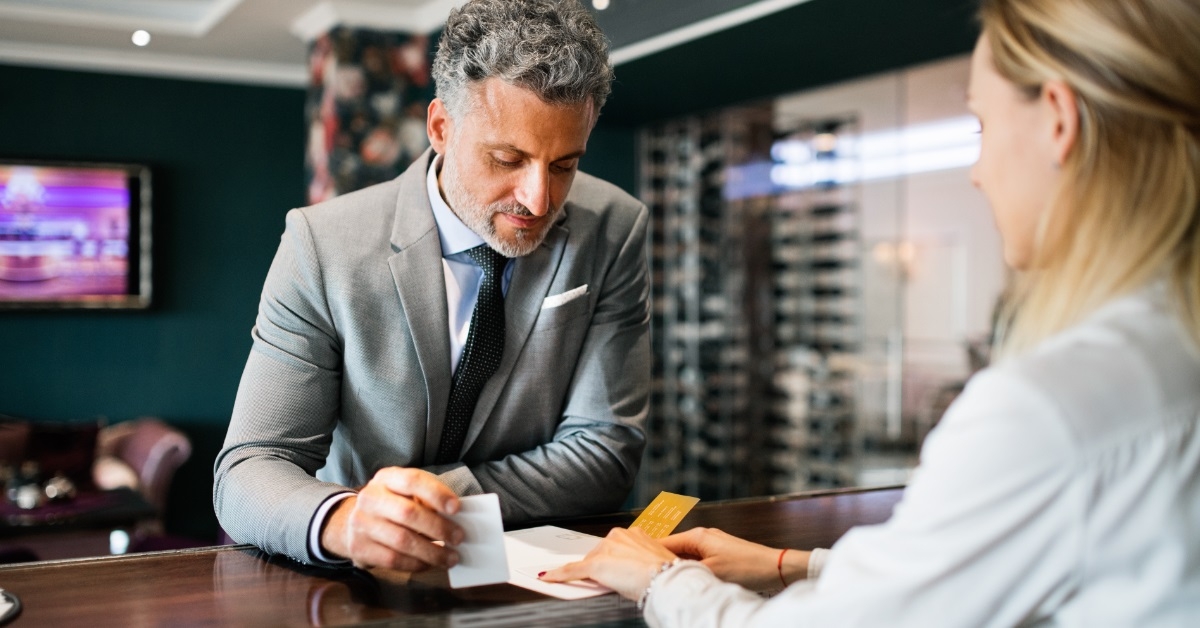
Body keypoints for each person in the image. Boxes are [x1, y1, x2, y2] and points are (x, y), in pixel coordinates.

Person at [542, 0, 1200, 624]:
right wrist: (788, 564)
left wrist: (659, 581)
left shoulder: (1048, 409)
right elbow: (972, 572)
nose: (977, 170)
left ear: (1058, 120)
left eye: (982, 126)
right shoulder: (1168, 354)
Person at [214, 0, 650, 571]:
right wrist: (346, 519)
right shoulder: (322, 245)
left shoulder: (615, 227)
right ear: (442, 127)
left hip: (535, 576)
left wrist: (428, 502)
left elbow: (606, 452)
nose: (539, 200)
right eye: (507, 158)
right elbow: (249, 469)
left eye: (564, 165)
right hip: (353, 577)